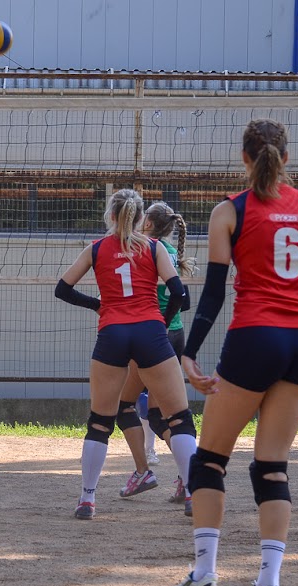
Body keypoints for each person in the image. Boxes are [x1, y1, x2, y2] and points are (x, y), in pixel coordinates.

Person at [161, 119, 298, 586]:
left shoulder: (230, 211)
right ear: (285, 159)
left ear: (244, 158)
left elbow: (212, 293)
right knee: (271, 466)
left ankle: (204, 577)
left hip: (257, 337)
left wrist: (188, 351)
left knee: (209, 460)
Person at [55, 188, 196, 520]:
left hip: (113, 333)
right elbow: (179, 293)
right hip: (151, 332)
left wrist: (99, 306)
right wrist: (162, 322)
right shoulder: (155, 247)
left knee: (100, 422)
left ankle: (87, 499)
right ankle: (192, 493)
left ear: (112, 215)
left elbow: (63, 289)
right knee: (179, 419)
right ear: (138, 215)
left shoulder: (97, 248)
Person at [113, 202, 197, 512]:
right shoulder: (169, 251)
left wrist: (156, 320)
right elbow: (183, 301)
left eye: (142, 216)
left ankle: (145, 472)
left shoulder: (147, 248)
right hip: (175, 335)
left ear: (147, 224)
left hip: (153, 336)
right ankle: (186, 478)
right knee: (164, 415)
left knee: (122, 407)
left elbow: (175, 297)